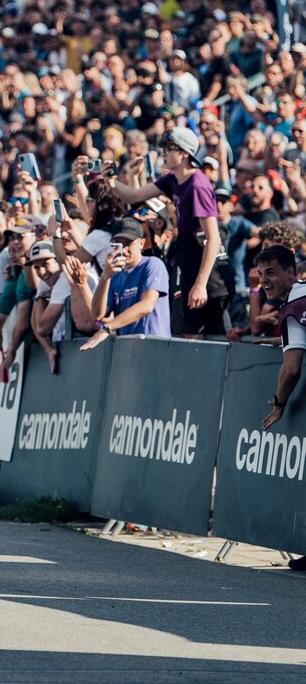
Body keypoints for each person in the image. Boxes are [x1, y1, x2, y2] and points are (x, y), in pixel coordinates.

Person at [109, 127, 228, 338]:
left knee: (202, 334)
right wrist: (110, 181)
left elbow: (213, 237)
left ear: (184, 154)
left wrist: (200, 285)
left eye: (168, 148)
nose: (162, 153)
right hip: (187, 254)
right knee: (186, 331)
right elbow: (134, 196)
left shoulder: (197, 185)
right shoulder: (172, 179)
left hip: (204, 266)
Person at [253, 244, 306, 571]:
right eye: (260, 275)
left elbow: (291, 369)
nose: (264, 281)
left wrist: (279, 403)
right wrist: (283, 339)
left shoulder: (293, 308)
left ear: (291, 272)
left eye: (271, 272)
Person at [81, 216, 171, 351]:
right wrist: (105, 277)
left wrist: (108, 327)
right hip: (127, 351)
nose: (123, 250)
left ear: (141, 243)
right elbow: (97, 316)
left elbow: (147, 305)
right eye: (118, 244)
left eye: (128, 243)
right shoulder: (114, 276)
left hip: (155, 348)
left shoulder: (153, 264)